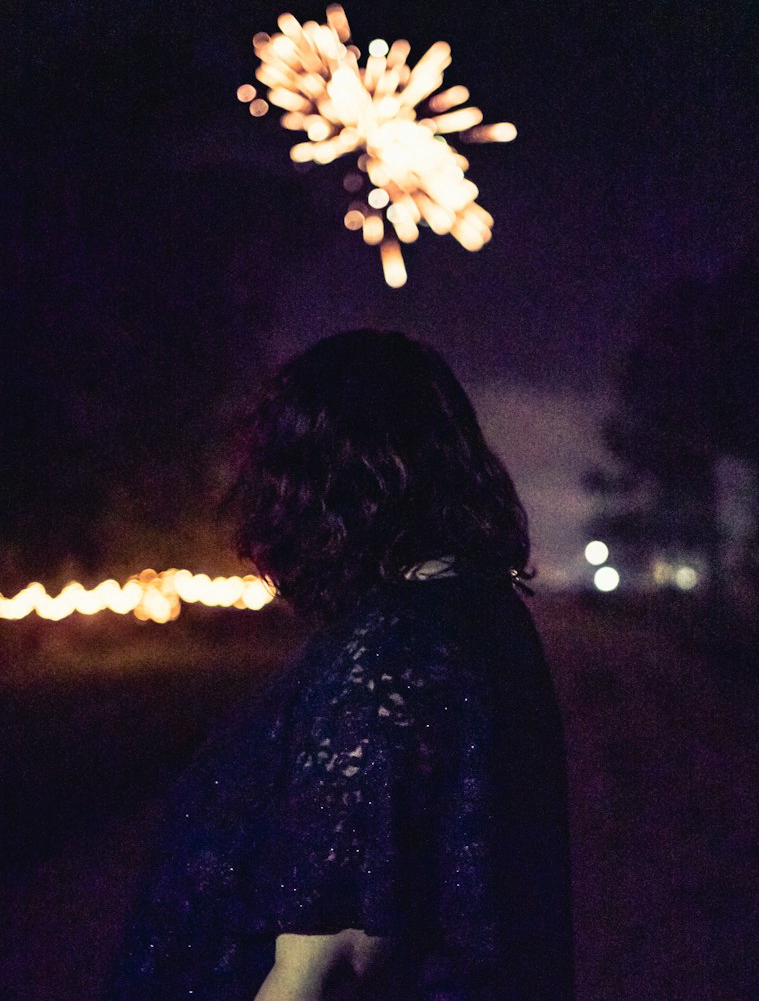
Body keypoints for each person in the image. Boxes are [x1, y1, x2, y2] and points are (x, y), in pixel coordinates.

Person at [108, 330, 574, 1001]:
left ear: (322, 483)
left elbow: (322, 972)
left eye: (272, 472)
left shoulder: (391, 654)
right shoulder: (478, 617)